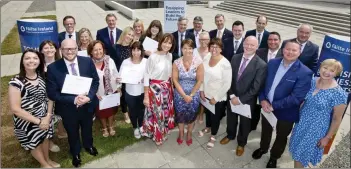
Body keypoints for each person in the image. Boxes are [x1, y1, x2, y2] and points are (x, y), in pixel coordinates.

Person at [251, 40, 313, 168]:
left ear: (299, 52)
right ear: (282, 49)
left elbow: (297, 98)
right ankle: (263, 148)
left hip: (286, 112)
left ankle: (274, 157)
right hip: (266, 106)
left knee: (281, 136)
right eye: (287, 49)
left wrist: (274, 106)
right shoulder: (273, 63)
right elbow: (262, 83)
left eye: (294, 50)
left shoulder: (305, 72)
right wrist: (262, 99)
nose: (290, 52)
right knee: (266, 130)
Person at [46, 39, 100, 168]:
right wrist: (73, 100)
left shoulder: (87, 62)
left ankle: (88, 145)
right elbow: (52, 94)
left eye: (72, 48)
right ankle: (75, 152)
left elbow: (95, 82)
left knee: (87, 128)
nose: (70, 51)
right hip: (68, 108)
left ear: (77, 49)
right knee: (72, 132)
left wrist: (89, 97)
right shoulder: (53, 68)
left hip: (87, 105)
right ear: (61, 50)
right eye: (66, 49)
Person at [289, 59, 348, 168]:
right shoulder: (312, 81)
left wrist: (327, 137)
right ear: (320, 68)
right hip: (301, 124)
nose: (327, 72)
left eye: (332, 70)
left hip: (315, 129)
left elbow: (336, 119)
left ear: (336, 74)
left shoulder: (339, 93)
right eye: (325, 68)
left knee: (300, 156)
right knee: (297, 152)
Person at [8, 49, 60, 168]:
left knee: (45, 139)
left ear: (39, 61)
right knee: (34, 143)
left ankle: (48, 160)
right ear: (22, 62)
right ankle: (44, 164)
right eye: (27, 58)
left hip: (45, 118)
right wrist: (38, 121)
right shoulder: (16, 82)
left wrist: (47, 117)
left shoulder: (42, 77)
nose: (31, 61)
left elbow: (50, 98)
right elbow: (15, 109)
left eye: (35, 58)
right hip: (27, 121)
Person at [220, 36, 267, 156]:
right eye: (247, 44)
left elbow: (256, 87)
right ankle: (230, 135)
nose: (249, 47)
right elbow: (228, 78)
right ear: (243, 43)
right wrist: (231, 95)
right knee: (231, 119)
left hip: (247, 101)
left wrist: (240, 99)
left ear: (257, 47)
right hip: (232, 96)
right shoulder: (235, 57)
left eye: (252, 45)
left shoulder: (261, 64)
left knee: (245, 123)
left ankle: (241, 143)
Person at [140, 33, 176, 146]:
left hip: (167, 89)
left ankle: (163, 131)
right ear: (161, 42)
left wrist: (171, 89)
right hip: (155, 90)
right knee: (157, 114)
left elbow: (169, 74)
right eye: (165, 42)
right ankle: (157, 136)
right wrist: (146, 96)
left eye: (169, 43)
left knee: (164, 113)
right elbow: (146, 76)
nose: (167, 45)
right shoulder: (153, 57)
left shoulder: (169, 56)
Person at [198, 38, 232, 149]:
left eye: (216, 47)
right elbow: (201, 75)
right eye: (212, 46)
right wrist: (202, 90)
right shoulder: (207, 57)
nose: (214, 49)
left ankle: (213, 135)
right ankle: (207, 127)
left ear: (221, 49)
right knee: (208, 113)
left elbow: (227, 84)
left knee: (215, 116)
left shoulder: (225, 63)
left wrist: (216, 98)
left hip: (217, 96)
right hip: (206, 94)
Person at [173, 39, 204, 146]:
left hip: (193, 93)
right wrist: (183, 95)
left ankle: (189, 132)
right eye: (185, 48)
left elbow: (199, 80)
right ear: (181, 49)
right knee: (180, 114)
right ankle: (181, 132)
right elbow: (175, 80)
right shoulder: (176, 62)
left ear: (193, 49)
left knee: (192, 114)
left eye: (190, 48)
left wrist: (190, 95)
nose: (187, 50)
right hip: (179, 93)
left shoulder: (198, 62)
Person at [88, 40, 121, 137]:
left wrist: (118, 87)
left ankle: (110, 126)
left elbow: (116, 74)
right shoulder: (88, 63)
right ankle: (104, 127)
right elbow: (88, 81)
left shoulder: (110, 60)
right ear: (90, 52)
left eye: (100, 49)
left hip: (112, 90)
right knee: (101, 111)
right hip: (98, 93)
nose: (98, 52)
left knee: (111, 109)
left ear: (103, 50)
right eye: (95, 50)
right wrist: (93, 94)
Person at [252, 31, 282, 132]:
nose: (272, 42)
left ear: (280, 41)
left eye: (275, 39)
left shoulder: (284, 54)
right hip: (259, 87)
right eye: (270, 39)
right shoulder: (259, 52)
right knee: (255, 110)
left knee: (268, 115)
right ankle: (253, 126)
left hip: (273, 91)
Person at [39, 40, 66, 153]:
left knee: (60, 114)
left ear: (56, 49)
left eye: (51, 47)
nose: (49, 50)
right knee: (48, 117)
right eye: (45, 48)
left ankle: (61, 132)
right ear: (41, 51)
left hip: (59, 94)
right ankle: (49, 142)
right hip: (44, 97)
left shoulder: (62, 63)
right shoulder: (38, 65)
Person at [119, 41, 147, 139]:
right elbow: (120, 76)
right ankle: (135, 127)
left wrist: (146, 78)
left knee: (141, 110)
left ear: (141, 51)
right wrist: (119, 82)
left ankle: (142, 126)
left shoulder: (146, 62)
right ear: (131, 51)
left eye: (138, 50)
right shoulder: (126, 62)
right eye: (133, 50)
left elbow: (150, 75)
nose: (136, 52)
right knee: (132, 111)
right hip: (130, 92)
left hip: (142, 91)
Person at [110, 26, 135, 124]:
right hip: (119, 76)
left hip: (131, 76)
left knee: (131, 94)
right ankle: (125, 112)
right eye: (129, 34)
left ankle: (132, 110)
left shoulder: (133, 48)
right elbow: (112, 63)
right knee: (123, 95)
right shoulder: (115, 47)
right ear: (124, 34)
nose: (130, 37)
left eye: (132, 35)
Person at [193, 31, 211, 124]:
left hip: (207, 79)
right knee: (196, 97)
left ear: (209, 40)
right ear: (199, 40)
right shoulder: (195, 50)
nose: (203, 41)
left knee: (204, 98)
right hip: (196, 78)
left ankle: (201, 114)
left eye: (206, 39)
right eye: (201, 39)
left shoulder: (212, 51)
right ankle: (196, 113)